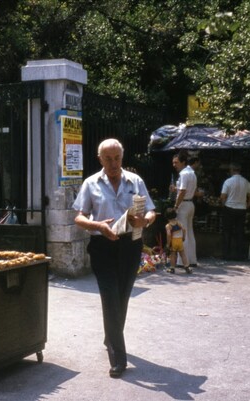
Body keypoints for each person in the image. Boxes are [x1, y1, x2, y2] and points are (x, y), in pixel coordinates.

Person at [72, 138, 156, 378]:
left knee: (122, 297)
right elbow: (79, 217)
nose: (113, 163)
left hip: (130, 246)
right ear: (100, 159)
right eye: (108, 159)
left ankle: (111, 337)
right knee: (110, 298)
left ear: (122, 156)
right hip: (103, 246)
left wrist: (146, 220)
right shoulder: (91, 183)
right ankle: (119, 358)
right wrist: (97, 225)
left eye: (117, 158)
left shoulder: (135, 181)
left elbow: (151, 209)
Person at [220, 162, 250, 260]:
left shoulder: (228, 181)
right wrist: (246, 206)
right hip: (241, 210)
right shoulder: (246, 182)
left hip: (229, 208)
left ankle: (226, 254)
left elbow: (222, 197)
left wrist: (224, 205)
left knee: (227, 232)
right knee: (240, 232)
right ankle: (240, 255)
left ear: (231, 170)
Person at [171, 150, 197, 267]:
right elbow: (183, 190)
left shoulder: (184, 174)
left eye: (176, 162)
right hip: (190, 203)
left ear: (183, 162)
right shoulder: (192, 172)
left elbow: (182, 191)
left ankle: (182, 261)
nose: (174, 165)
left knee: (182, 232)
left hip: (183, 205)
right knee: (190, 232)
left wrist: (176, 206)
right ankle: (192, 260)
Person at [164, 208, 192, 274]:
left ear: (167, 216)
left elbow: (168, 234)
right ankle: (186, 267)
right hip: (179, 240)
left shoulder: (168, 226)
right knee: (183, 254)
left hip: (173, 241)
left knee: (173, 255)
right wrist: (183, 237)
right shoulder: (178, 223)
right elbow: (184, 230)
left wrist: (168, 244)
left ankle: (172, 268)